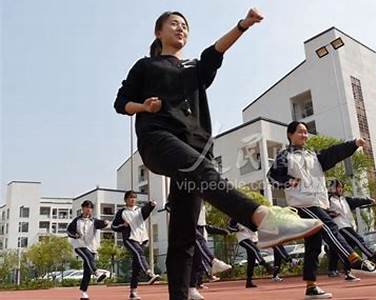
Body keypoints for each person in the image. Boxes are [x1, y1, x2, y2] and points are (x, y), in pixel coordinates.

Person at [113, 9, 322, 299]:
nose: (181, 28)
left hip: (196, 149)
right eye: (174, 24)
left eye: (185, 25)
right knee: (203, 172)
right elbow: (121, 102)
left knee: (184, 234)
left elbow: (215, 52)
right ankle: (263, 218)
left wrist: (243, 25)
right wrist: (143, 107)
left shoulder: (193, 68)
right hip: (158, 138)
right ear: (158, 32)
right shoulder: (146, 66)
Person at [268, 121, 376, 299]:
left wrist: (353, 144)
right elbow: (272, 176)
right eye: (300, 132)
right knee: (329, 226)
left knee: (313, 246)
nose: (304, 135)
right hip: (301, 204)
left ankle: (311, 287)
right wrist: (287, 181)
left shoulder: (314, 155)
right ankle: (354, 261)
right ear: (290, 134)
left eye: (306, 132)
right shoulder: (284, 156)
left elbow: (333, 153)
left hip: (318, 202)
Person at [327, 179, 376, 268]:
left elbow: (356, 201)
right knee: (358, 239)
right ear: (333, 188)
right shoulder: (328, 200)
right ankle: (373, 256)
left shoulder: (344, 199)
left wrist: (368, 200)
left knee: (350, 249)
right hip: (340, 226)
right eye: (338, 187)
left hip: (349, 225)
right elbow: (321, 211)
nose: (341, 189)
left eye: (342, 187)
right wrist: (330, 214)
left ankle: (348, 269)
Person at [112, 191, 161, 300]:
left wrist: (151, 205)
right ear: (125, 200)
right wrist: (123, 225)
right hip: (130, 239)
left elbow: (146, 211)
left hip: (142, 239)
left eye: (134, 198)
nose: (132, 199)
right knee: (139, 253)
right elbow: (114, 227)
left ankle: (133, 292)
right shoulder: (122, 212)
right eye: (130, 198)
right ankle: (149, 273)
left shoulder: (139, 210)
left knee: (136, 267)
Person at [67, 200, 110, 300]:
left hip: (91, 247)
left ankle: (83, 292)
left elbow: (101, 224)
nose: (88, 210)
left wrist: (105, 222)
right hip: (79, 245)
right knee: (89, 257)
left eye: (90, 208)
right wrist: (75, 235)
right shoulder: (76, 221)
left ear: (92, 210)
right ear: (82, 209)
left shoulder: (94, 221)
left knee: (87, 271)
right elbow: (69, 231)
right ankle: (97, 272)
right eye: (86, 207)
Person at [189, 203, 231, 300]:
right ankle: (213, 262)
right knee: (198, 244)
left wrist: (222, 231)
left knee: (197, 260)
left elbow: (207, 227)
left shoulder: (202, 198)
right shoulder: (185, 191)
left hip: (198, 226)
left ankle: (192, 289)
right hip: (187, 223)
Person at [228, 219, 274, 288]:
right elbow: (230, 227)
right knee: (255, 250)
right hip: (243, 238)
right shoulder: (236, 215)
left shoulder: (252, 214)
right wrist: (238, 229)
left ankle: (249, 281)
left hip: (253, 238)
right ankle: (267, 266)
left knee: (251, 260)